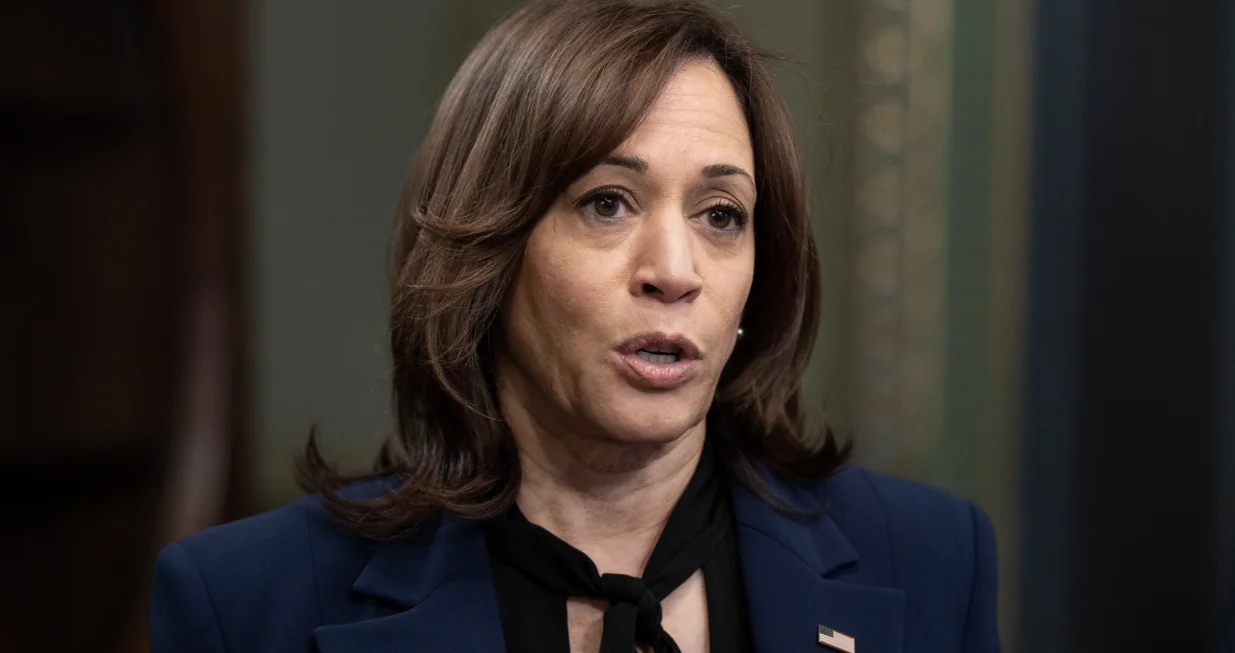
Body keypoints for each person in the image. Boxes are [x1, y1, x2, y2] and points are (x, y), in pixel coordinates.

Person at [149, 1, 1000, 651]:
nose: (674, 270)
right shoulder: (245, 601)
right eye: (606, 202)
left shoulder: (931, 561)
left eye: (720, 214)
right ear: (490, 249)